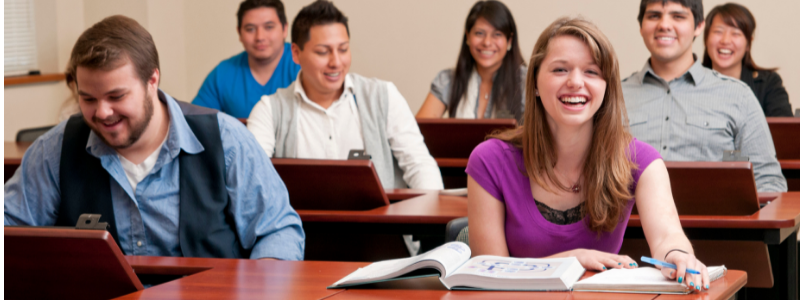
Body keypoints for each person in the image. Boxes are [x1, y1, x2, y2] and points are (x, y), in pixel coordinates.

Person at [4, 15, 305, 260]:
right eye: (88, 99)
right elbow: (10, 228)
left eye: (116, 96)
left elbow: (277, 231)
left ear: (152, 80)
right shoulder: (54, 149)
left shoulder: (227, 140)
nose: (103, 112)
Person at [467, 17, 711, 291]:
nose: (575, 82)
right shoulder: (489, 160)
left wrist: (677, 255)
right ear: (534, 82)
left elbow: (668, 237)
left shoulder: (642, 161)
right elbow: (490, 278)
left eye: (592, 72)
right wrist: (572, 260)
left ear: (607, 87)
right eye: (560, 69)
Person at [247, 0, 444, 190]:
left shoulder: (383, 95)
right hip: (301, 224)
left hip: (380, 223)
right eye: (323, 52)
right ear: (296, 53)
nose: (336, 62)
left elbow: (419, 165)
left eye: (343, 49)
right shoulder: (269, 110)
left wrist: (431, 214)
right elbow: (251, 178)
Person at [622, 0, 786, 192]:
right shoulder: (613, 97)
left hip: (716, 221)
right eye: (654, 16)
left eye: (678, 16)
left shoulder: (738, 96)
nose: (664, 25)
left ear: (699, 26)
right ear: (641, 27)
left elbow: (769, 183)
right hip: (630, 221)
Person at [416, 0, 526, 122]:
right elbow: (418, 132)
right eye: (479, 33)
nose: (487, 42)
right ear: (467, 36)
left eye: (497, 34)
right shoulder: (448, 80)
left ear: (509, 40)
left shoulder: (527, 82)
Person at [192, 0, 301, 118]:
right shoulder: (223, 74)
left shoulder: (305, 65)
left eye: (269, 27)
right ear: (239, 33)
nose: (260, 37)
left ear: (285, 29)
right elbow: (194, 121)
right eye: (250, 29)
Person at [702, 3, 792, 117]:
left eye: (735, 33)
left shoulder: (768, 84)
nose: (725, 40)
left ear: (748, 44)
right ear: (706, 38)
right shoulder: (687, 80)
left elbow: (784, 132)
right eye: (718, 31)